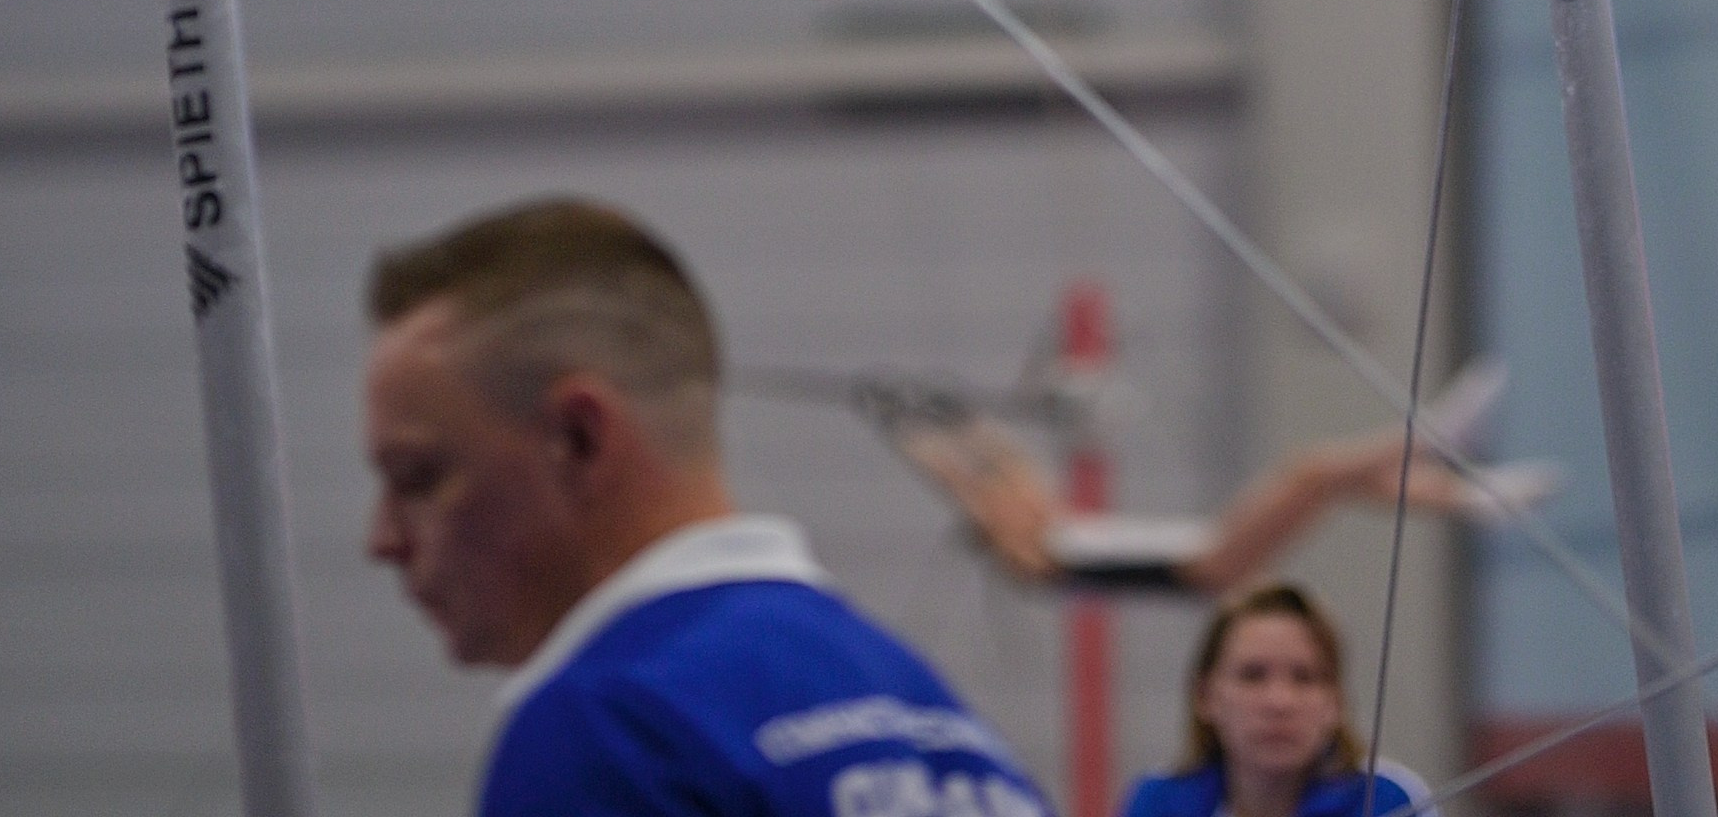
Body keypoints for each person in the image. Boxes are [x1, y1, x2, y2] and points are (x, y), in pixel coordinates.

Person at [362, 194, 1056, 817]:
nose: (383, 539)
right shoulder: (925, 714)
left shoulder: (610, 728)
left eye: (420, 476)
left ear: (577, 439)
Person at [874, 379, 1556, 595]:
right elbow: (972, 488)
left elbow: (1004, 461)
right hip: (1206, 562)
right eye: (1006, 501)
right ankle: (1429, 440)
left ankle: (1474, 500)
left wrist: (941, 415)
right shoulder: (1029, 556)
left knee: (1330, 484)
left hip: (1213, 547)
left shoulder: (1044, 520)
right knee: (1310, 470)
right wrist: (911, 438)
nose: (1024, 490)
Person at [1121, 580, 1428, 817]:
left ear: (1335, 703)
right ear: (1205, 697)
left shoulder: (1390, 803)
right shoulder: (1156, 803)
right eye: (1252, 675)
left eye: (1304, 677)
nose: (1279, 702)